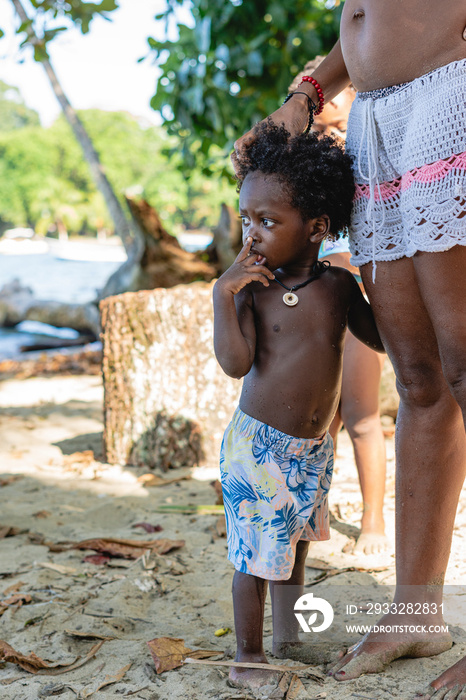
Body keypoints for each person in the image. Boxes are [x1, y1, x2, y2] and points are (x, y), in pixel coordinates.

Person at [232, 2, 466, 697]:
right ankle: (416, 609)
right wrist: (311, 92)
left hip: (448, 92)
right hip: (375, 117)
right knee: (421, 379)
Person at [213, 122, 384, 694]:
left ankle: (287, 637)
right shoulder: (253, 289)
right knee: (256, 561)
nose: (252, 234)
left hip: (312, 447)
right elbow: (236, 364)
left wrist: (386, 282)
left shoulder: (337, 285)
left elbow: (380, 338)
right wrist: (223, 295)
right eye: (246, 219)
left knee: (297, 543)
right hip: (260, 448)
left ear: (316, 228)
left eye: (267, 221)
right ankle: (247, 656)